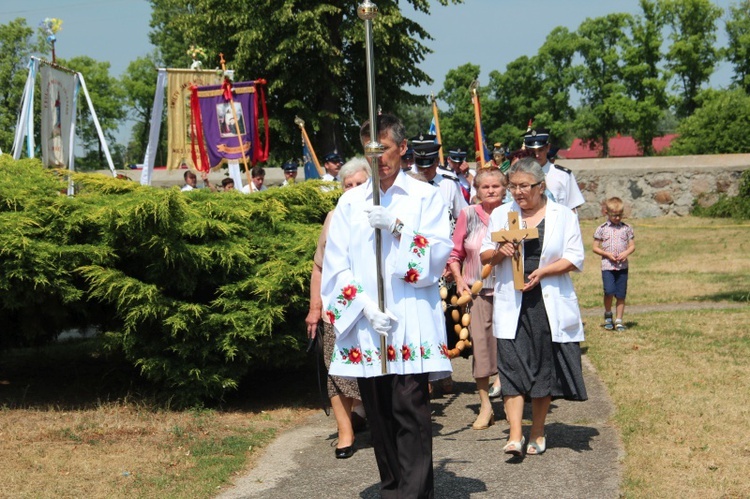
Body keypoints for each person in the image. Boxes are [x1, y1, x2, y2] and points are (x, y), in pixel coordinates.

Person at [321, 113, 452, 497]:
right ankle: (393, 487)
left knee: (409, 409)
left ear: (402, 149)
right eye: (369, 151)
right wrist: (363, 305)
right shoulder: (350, 202)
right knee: (378, 415)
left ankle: (414, 493)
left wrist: (397, 227)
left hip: (409, 320)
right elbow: (335, 267)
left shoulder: (425, 196)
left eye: (385, 150)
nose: (377, 160)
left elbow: (436, 258)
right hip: (368, 325)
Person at [480, 156, 587, 457]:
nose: (518, 192)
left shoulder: (562, 215)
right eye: (512, 186)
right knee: (511, 364)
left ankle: (537, 430)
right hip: (511, 299)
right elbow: (484, 254)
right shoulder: (502, 214)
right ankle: (515, 435)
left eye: (524, 186)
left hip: (545, 299)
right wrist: (500, 251)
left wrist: (544, 272)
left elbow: (575, 257)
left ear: (540, 186)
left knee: (543, 366)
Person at [306, 157, 372, 459]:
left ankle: (371, 417)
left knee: (371, 371)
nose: (354, 189)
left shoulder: (379, 214)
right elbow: (319, 267)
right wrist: (314, 308)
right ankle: (345, 432)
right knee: (336, 370)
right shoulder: (333, 216)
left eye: (360, 183)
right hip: (338, 308)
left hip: (372, 309)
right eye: (349, 185)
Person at [446, 168, 507, 430]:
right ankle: (485, 406)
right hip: (476, 291)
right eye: (485, 187)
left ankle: (511, 401)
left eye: (496, 186)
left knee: (508, 347)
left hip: (508, 290)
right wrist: (459, 281)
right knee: (481, 350)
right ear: (476, 190)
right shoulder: (467, 215)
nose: (491, 191)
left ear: (504, 189)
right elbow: (455, 254)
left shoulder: (511, 215)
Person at [593, 197, 635, 331]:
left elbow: (632, 246)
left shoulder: (627, 228)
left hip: (622, 267)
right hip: (608, 266)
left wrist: (626, 253)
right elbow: (595, 247)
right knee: (609, 291)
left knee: (621, 294)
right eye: (614, 215)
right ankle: (608, 314)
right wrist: (607, 255)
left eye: (619, 215)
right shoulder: (602, 229)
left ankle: (619, 320)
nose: (617, 218)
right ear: (606, 213)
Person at [524, 128, 585, 212]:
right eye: (532, 151)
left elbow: (572, 209)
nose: (537, 155)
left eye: (540, 150)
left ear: (548, 148)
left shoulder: (564, 175)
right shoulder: (521, 175)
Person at [411, 138, 467, 224]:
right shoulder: (408, 184)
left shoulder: (450, 184)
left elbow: (460, 216)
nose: (425, 170)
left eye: (429, 166)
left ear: (437, 162)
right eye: (421, 166)